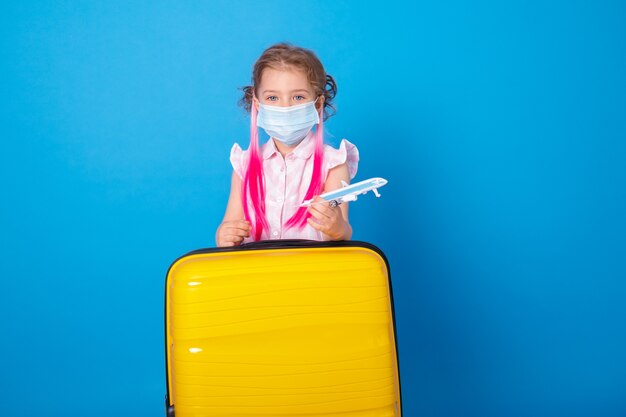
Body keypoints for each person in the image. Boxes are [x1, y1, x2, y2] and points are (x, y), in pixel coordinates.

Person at [216, 43, 359, 247]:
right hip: (257, 275)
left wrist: (335, 227)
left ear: (317, 104)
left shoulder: (333, 164)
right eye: (272, 97)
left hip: (310, 275)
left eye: (298, 97)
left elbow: (342, 230)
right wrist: (225, 235)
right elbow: (229, 227)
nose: (285, 107)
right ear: (257, 104)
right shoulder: (244, 165)